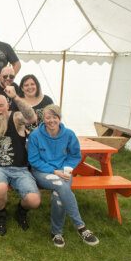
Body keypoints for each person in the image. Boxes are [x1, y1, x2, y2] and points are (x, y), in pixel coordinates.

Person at [28, 104, 99, 248]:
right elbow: (34, 160)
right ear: (43, 119)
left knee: (58, 194)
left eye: (54, 117)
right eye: (48, 117)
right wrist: (54, 171)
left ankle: (57, 233)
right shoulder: (35, 135)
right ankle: (81, 227)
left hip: (64, 172)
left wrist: (67, 168)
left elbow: (75, 155)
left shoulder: (69, 134)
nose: (51, 120)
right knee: (60, 185)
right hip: (43, 172)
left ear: (59, 118)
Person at [0, 87, 40, 236]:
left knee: (34, 201)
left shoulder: (16, 117)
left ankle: (21, 211)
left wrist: (16, 97)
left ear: (7, 105)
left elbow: (31, 118)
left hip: (20, 169)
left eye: (1, 105)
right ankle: (1, 215)